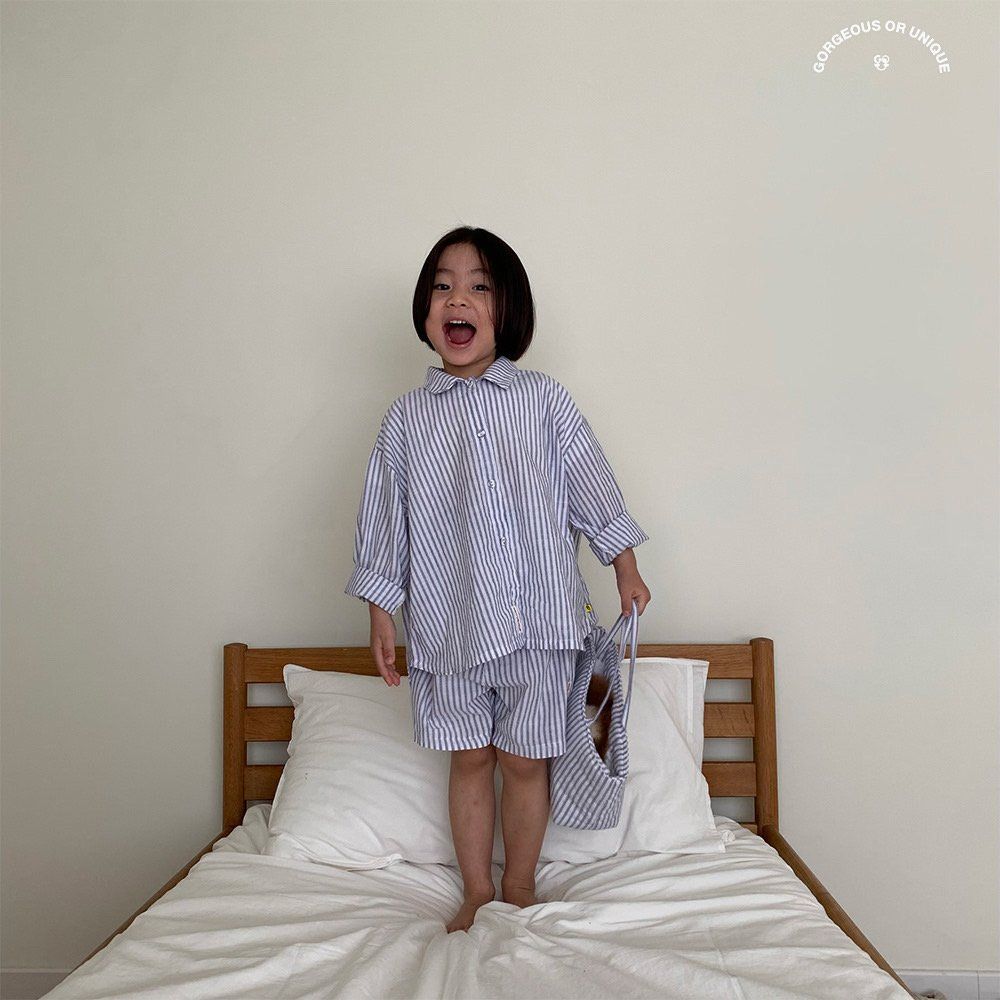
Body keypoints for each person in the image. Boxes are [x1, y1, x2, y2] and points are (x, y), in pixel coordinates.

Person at [344, 226, 652, 933]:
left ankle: (519, 885)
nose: (458, 299)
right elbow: (384, 517)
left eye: (479, 286)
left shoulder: (543, 400)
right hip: (449, 628)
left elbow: (591, 485)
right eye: (442, 286)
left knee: (523, 763)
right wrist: (381, 609)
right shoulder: (406, 420)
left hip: (538, 624)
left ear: (507, 308)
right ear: (425, 311)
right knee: (470, 759)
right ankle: (477, 889)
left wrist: (625, 565)